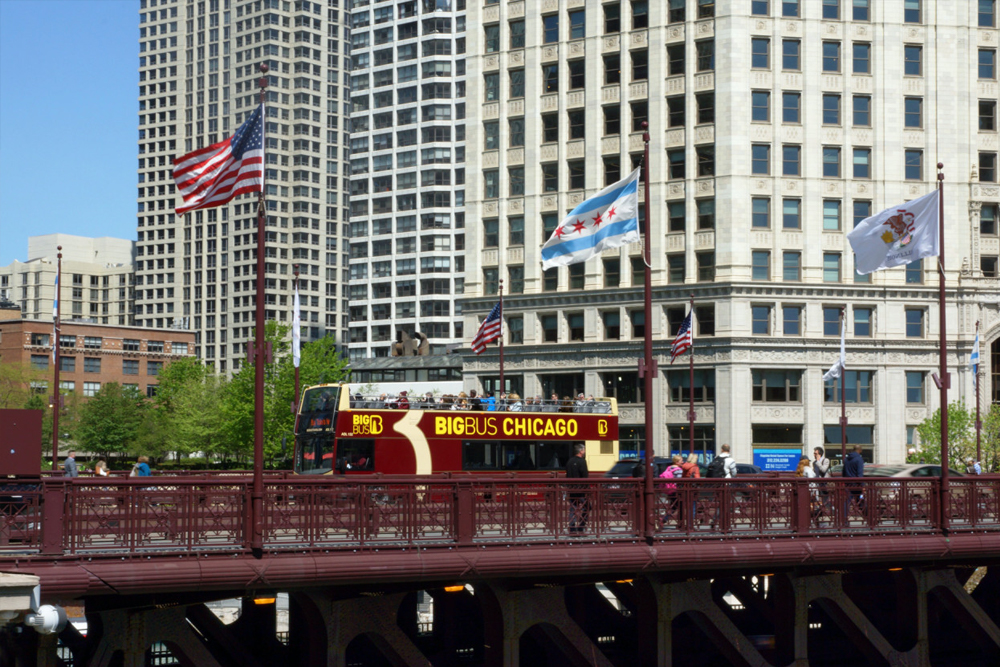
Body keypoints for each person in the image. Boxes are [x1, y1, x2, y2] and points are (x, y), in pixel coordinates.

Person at [566, 443, 589, 534]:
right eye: (584, 450)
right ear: (581, 451)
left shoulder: (569, 461)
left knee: (573, 507)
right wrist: (587, 489)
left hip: (571, 489)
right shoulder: (582, 462)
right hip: (581, 490)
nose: (584, 451)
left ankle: (572, 527)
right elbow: (585, 476)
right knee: (587, 507)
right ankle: (581, 526)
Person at [659, 455, 685, 528]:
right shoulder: (678, 470)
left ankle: (664, 519)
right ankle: (664, 519)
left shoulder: (669, 468)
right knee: (677, 506)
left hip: (669, 490)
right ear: (677, 462)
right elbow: (679, 481)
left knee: (673, 506)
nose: (682, 462)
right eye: (681, 461)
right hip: (676, 490)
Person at [843, 445, 865, 519]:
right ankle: (869, 518)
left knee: (847, 503)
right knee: (861, 501)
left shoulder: (846, 459)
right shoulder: (859, 459)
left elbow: (843, 473)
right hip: (857, 485)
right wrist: (862, 485)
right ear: (860, 450)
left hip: (848, 484)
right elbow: (859, 474)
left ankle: (844, 521)